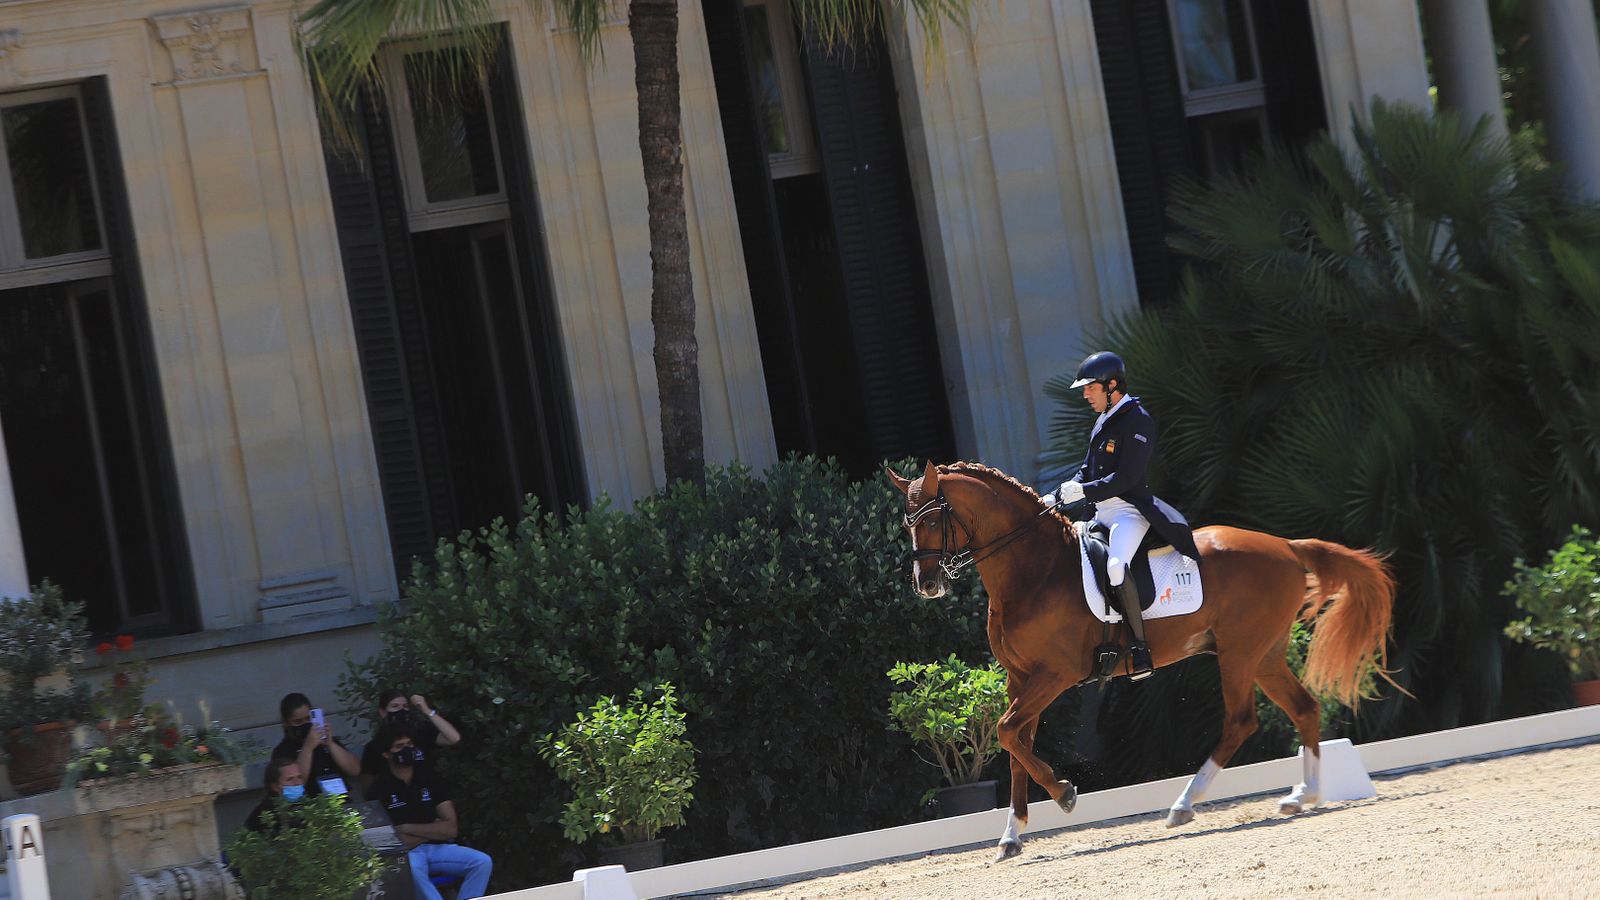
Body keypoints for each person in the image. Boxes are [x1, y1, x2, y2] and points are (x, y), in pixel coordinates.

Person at [1049, 351, 1199, 680]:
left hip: (1128, 512)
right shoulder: (1104, 418)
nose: (1085, 394)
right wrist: (1062, 492)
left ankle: (1139, 648)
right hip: (1099, 513)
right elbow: (1086, 470)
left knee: (1116, 568)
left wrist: (1084, 491)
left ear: (1112, 385)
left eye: (1090, 388)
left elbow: (1127, 478)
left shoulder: (1137, 419)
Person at [369, 723, 493, 900]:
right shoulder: (378, 789)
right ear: (386, 753)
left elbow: (451, 829)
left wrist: (406, 828)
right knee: (412, 869)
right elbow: (387, 844)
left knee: (481, 862)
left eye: (409, 745)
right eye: (399, 746)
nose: (406, 750)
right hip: (407, 856)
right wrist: (433, 830)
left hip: (437, 849)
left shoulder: (428, 777)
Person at [360, 689, 461, 792]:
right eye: (395, 706)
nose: (401, 710)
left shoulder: (422, 734)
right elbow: (367, 785)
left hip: (429, 793)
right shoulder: (374, 746)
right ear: (382, 712)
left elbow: (453, 738)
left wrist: (427, 710)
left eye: (405, 706)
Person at [272, 692, 362, 798]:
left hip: (340, 799)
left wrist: (330, 744)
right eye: (298, 721)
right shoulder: (283, 750)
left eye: (308, 718)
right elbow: (295, 787)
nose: (305, 724)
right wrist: (308, 748)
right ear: (287, 723)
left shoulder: (327, 740)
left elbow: (355, 770)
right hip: (310, 805)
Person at [243, 756, 307, 833]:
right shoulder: (264, 816)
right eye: (290, 779)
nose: (297, 783)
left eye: (299, 777)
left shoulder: (307, 805)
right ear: (275, 787)